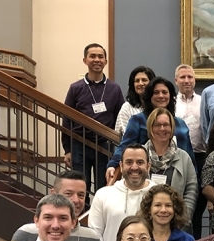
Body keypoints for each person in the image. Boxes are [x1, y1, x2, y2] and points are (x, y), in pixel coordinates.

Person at [8, 170, 103, 241]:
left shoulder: (92, 237)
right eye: (68, 194)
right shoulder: (26, 234)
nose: (75, 200)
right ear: (53, 194)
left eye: (81, 195)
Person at [106, 77, 196, 182]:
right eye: (156, 92)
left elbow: (190, 155)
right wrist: (112, 165)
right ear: (149, 96)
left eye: (164, 92)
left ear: (171, 96)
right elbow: (125, 146)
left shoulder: (180, 124)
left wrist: (194, 177)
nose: (161, 96)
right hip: (147, 176)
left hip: (178, 177)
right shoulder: (138, 120)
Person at [62, 43, 124, 193]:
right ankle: (82, 216)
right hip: (79, 143)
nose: (97, 60)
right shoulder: (75, 88)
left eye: (100, 56)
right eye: (93, 56)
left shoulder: (114, 88)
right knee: (80, 186)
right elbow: (66, 119)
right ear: (85, 60)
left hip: (104, 144)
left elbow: (120, 118)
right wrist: (67, 150)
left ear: (106, 61)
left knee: (103, 187)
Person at [89, 144, 155, 241]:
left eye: (140, 162)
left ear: (148, 166)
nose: (134, 167)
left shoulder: (158, 196)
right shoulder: (103, 195)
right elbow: (95, 235)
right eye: (129, 162)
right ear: (121, 165)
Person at [144, 108, 199, 229]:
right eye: (157, 125)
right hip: (144, 225)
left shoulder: (184, 157)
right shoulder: (140, 155)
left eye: (166, 125)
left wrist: (184, 217)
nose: (162, 129)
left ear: (172, 128)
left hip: (178, 225)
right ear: (150, 127)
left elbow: (192, 189)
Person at [174, 64, 208, 238]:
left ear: (195, 80)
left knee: (197, 205)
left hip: (200, 157)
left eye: (190, 77)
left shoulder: (203, 101)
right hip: (177, 159)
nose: (186, 81)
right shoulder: (172, 103)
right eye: (183, 77)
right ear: (176, 80)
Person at [115, 66, 155, 137]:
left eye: (144, 80)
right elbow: (123, 134)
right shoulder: (127, 107)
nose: (140, 83)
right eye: (137, 81)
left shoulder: (158, 104)